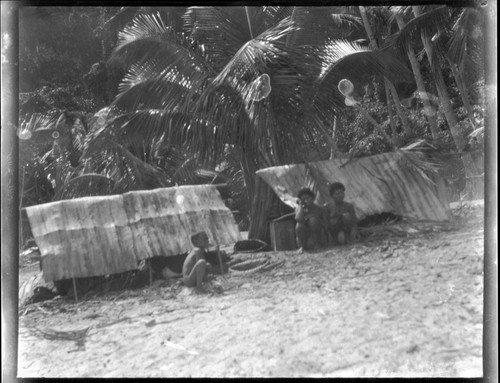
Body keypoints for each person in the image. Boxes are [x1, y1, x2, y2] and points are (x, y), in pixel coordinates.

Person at [295, 188, 326, 252]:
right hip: (305, 237)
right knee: (299, 225)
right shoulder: (300, 209)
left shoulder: (320, 209)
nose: (306, 201)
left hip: (318, 236)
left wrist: (314, 219)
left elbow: (326, 224)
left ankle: (318, 245)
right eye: (303, 199)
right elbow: (298, 219)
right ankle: (302, 247)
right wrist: (301, 207)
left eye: (308, 198)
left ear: (313, 198)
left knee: (313, 220)